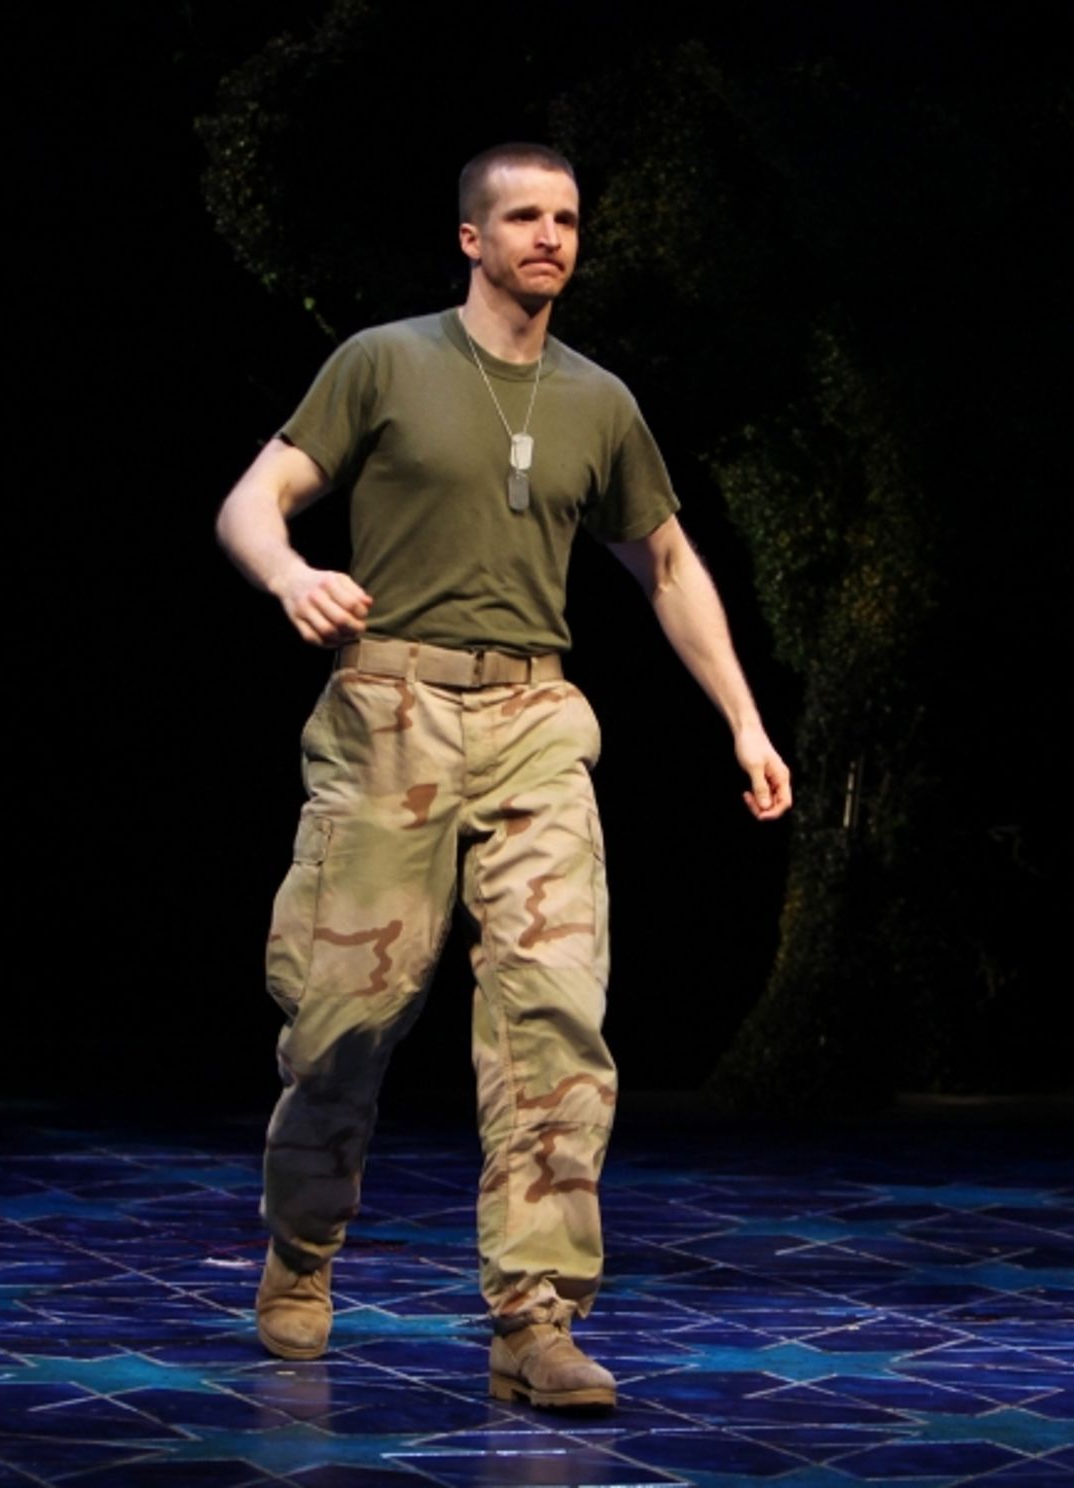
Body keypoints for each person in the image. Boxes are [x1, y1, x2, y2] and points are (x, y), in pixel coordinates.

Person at [215, 141, 791, 1412]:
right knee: (341, 1017)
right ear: (471, 238)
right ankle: (302, 1250)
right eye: (522, 216)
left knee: (556, 1017)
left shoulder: (600, 402)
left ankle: (537, 1319)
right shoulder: (385, 361)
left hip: (537, 716)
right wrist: (291, 573)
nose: (549, 236)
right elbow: (255, 500)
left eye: (568, 217)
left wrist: (745, 721)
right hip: (390, 712)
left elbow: (670, 567)